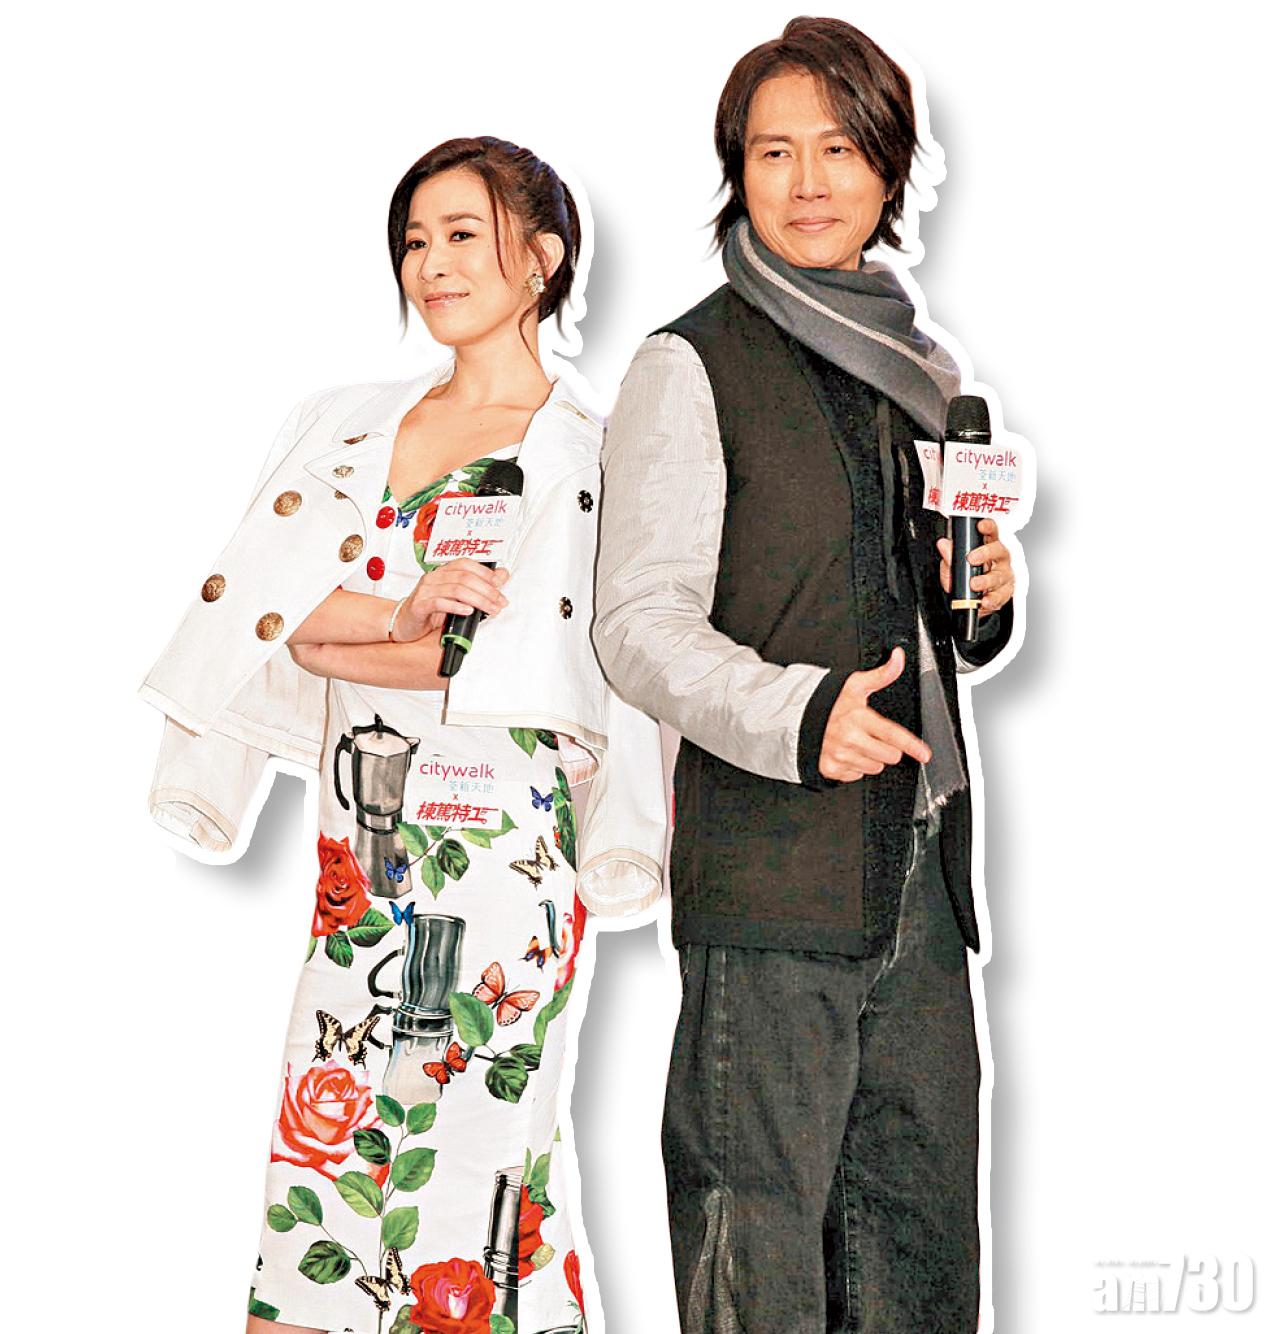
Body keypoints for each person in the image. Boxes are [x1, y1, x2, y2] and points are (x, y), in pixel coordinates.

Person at [139, 136, 665, 1334]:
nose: (432, 263)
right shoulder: (342, 423)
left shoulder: (583, 452)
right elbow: (270, 620)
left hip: (498, 855)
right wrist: (390, 616)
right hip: (358, 854)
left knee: (474, 1139)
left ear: (542, 257)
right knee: (323, 1126)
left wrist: (349, 634)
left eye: (463, 234)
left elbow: (475, 655)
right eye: (414, 240)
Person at [592, 19, 1020, 1334]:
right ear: (738, 173)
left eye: (837, 147)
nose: (807, 180)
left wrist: (985, 596)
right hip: (773, 870)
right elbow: (637, 623)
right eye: (773, 152)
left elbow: (918, 611)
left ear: (888, 167)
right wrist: (800, 713)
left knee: (920, 1246)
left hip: (921, 867)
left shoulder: (926, 376)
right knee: (758, 1250)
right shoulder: (688, 363)